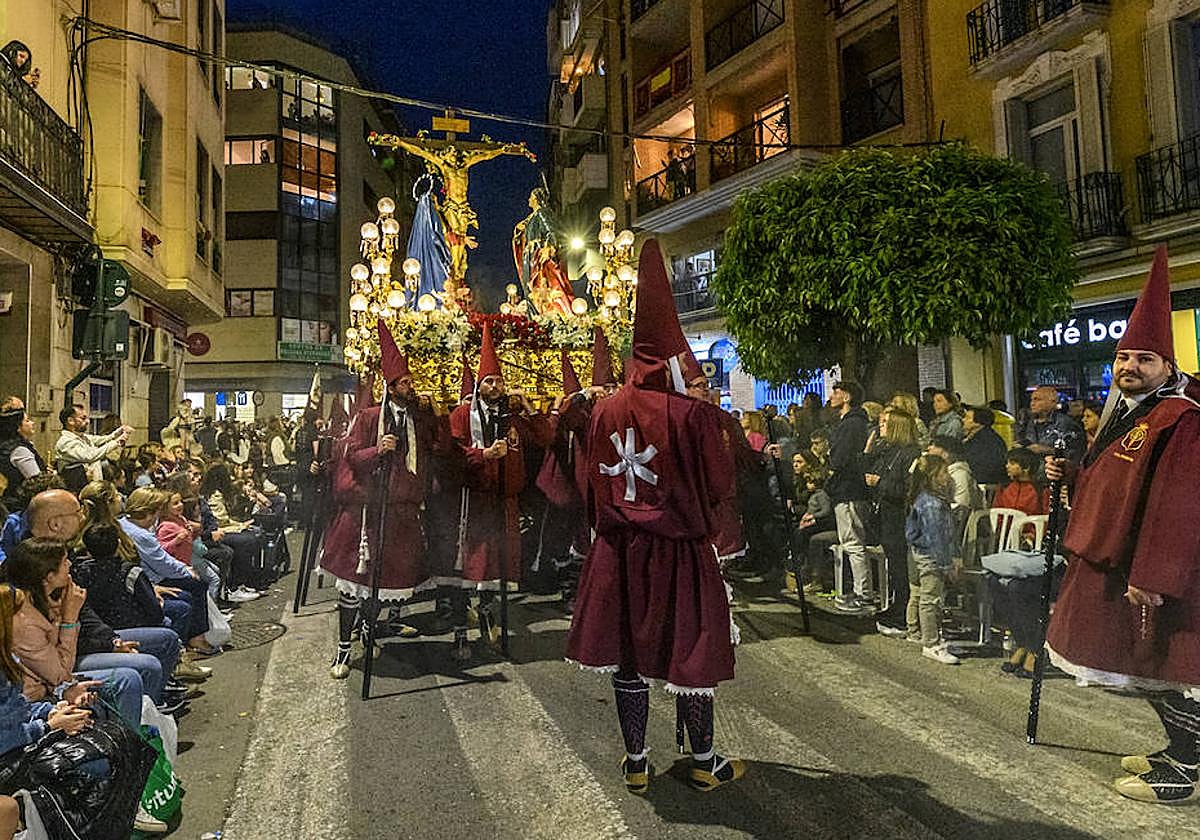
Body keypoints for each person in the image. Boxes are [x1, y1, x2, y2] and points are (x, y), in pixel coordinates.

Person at [567, 239, 745, 794]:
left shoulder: (604, 409)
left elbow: (590, 482)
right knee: (691, 654)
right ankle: (704, 760)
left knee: (627, 655)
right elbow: (721, 484)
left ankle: (637, 762)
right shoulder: (692, 415)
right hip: (680, 550)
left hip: (619, 551)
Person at [1045, 247, 1200, 804]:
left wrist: (1153, 576)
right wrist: (1070, 473)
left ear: (1168, 368)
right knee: (1139, 667)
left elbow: (1178, 504)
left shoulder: (1178, 420)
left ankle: (1183, 771)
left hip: (1150, 575)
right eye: (1124, 357)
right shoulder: (1133, 413)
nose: (1129, 366)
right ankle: (1178, 751)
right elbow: (1114, 484)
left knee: (1168, 667)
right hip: (1115, 563)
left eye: (1144, 359)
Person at [319, 322, 446, 678]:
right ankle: (343, 650)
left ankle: (368, 629)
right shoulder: (370, 417)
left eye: (411, 381)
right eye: (404, 382)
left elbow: (438, 449)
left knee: (386, 583)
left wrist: (435, 415)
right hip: (368, 515)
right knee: (354, 584)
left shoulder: (418, 420)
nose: (411, 386)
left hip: (402, 513)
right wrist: (379, 450)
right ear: (391, 388)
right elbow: (351, 458)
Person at [0, 580, 161, 836]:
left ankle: (126, 810)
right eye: (19, 612)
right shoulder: (22, 643)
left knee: (113, 732)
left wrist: (53, 710)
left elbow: (21, 707)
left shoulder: (10, 652)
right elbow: (61, 672)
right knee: (97, 760)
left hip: (35, 719)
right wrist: (50, 723)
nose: (27, 616)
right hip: (10, 756)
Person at [448, 321, 550, 645]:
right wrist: (483, 454)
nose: (495, 386)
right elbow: (452, 455)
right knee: (471, 561)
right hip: (474, 501)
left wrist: (531, 408)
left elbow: (544, 436)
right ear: (479, 385)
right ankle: (462, 625)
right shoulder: (464, 415)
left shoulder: (511, 418)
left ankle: (489, 610)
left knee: (497, 561)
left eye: (499, 381)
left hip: (505, 502)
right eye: (489, 381)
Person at [119, 488, 215, 655]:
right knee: (195, 588)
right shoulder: (141, 535)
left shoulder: (125, 524)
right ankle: (188, 643)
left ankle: (189, 641)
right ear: (150, 512)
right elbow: (161, 562)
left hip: (145, 577)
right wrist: (185, 570)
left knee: (190, 591)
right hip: (148, 579)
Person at [866, 408, 921, 636]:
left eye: (886, 423)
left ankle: (903, 612)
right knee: (893, 565)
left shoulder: (910, 454)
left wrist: (880, 483)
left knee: (900, 566)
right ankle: (896, 604)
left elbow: (909, 489)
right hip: (885, 516)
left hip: (900, 517)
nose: (881, 426)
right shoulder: (888, 451)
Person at [904, 454, 959, 665]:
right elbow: (937, 536)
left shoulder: (926, 498)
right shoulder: (931, 504)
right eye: (944, 472)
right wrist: (947, 564)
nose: (948, 476)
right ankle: (932, 643)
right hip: (931, 556)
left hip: (924, 553)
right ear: (932, 476)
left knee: (925, 596)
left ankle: (929, 636)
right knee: (930, 598)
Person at [827, 381, 873, 613]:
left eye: (836, 392)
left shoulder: (851, 424)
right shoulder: (855, 423)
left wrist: (831, 471)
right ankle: (860, 591)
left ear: (846, 396)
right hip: (850, 489)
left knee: (853, 542)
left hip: (848, 490)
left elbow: (840, 457)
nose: (831, 396)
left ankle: (862, 594)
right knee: (853, 541)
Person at [53, 405, 132, 489]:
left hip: (92, 486)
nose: (88, 421)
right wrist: (118, 442)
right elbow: (91, 456)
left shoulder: (82, 437)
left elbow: (102, 439)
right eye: (83, 418)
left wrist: (118, 432)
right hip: (77, 489)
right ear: (70, 421)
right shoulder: (66, 442)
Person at [1015, 385, 1085, 462]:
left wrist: (1048, 450)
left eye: (1037, 400)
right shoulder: (1029, 423)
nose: (1032, 403)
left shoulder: (1065, 423)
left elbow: (1076, 454)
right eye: (1031, 400)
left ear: (1052, 402)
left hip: (1055, 469)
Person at [0, 407, 43, 511]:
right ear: (18, 428)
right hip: (20, 504)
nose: (32, 423)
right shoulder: (20, 451)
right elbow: (36, 481)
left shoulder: (7, 445)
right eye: (27, 420)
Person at [993, 448, 1048, 518]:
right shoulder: (1004, 487)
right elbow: (997, 513)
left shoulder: (1041, 490)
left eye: (1012, 463)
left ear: (1026, 467)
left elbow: (1046, 518)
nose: (1007, 466)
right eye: (1007, 463)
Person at [961, 405, 1008, 485]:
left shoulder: (987, 441)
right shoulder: (975, 437)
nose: (963, 420)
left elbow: (982, 467)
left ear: (978, 422)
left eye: (968, 418)